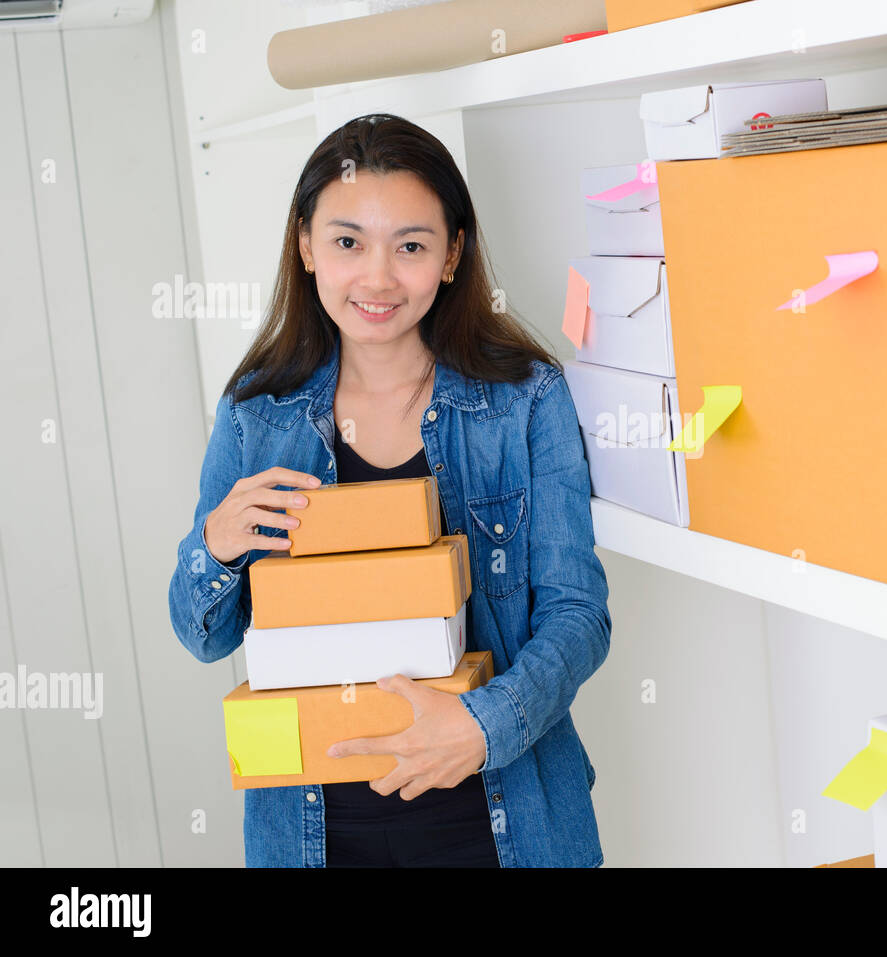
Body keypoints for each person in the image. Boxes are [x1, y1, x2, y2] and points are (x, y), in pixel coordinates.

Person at [167, 113, 611, 868]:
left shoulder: (526, 399)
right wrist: (214, 544)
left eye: (410, 245)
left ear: (451, 255)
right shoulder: (254, 414)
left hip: (506, 824)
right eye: (348, 242)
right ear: (306, 245)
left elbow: (578, 614)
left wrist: (481, 725)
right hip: (314, 832)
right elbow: (202, 634)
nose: (377, 277)